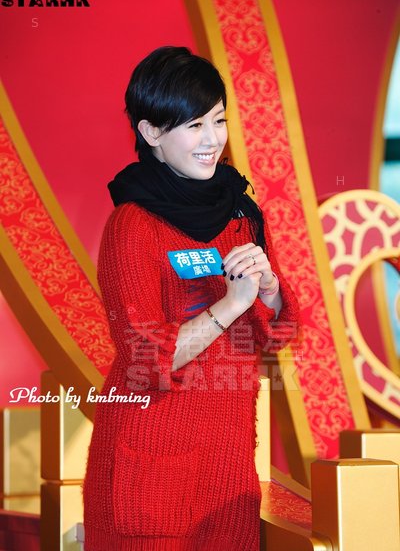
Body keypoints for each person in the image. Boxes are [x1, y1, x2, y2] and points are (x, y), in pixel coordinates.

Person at [83, 46, 299, 551]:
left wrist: (269, 291)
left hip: (228, 475)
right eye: (194, 125)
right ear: (151, 132)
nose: (212, 140)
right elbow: (145, 358)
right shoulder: (132, 226)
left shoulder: (240, 213)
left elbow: (277, 336)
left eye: (218, 120)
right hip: (148, 467)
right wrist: (230, 304)